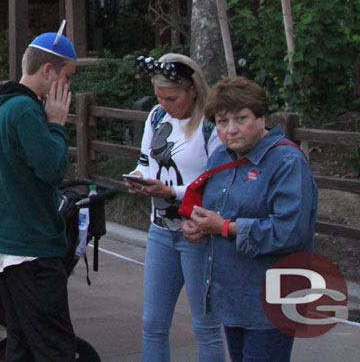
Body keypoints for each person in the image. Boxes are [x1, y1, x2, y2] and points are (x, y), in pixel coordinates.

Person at [182, 77, 318, 362]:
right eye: (221, 121)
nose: (231, 130)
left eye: (241, 118)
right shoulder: (219, 156)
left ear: (261, 117)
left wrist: (226, 227)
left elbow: (289, 231)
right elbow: (214, 211)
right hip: (232, 296)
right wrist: (199, 227)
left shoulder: (287, 162)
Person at [0, 29, 78, 361]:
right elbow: (52, 169)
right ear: (48, 71)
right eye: (67, 76)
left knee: (22, 341)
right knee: (54, 346)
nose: (68, 86)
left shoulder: (7, 104)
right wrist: (56, 124)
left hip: (11, 242)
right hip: (30, 247)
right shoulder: (25, 110)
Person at [126, 54, 224, 361]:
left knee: (206, 327)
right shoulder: (156, 117)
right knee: (153, 323)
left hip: (198, 234)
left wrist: (171, 191)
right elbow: (145, 163)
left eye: (172, 98)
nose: (165, 104)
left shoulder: (211, 125)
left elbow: (218, 184)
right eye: (159, 97)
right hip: (160, 231)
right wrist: (138, 179)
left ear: (193, 90)